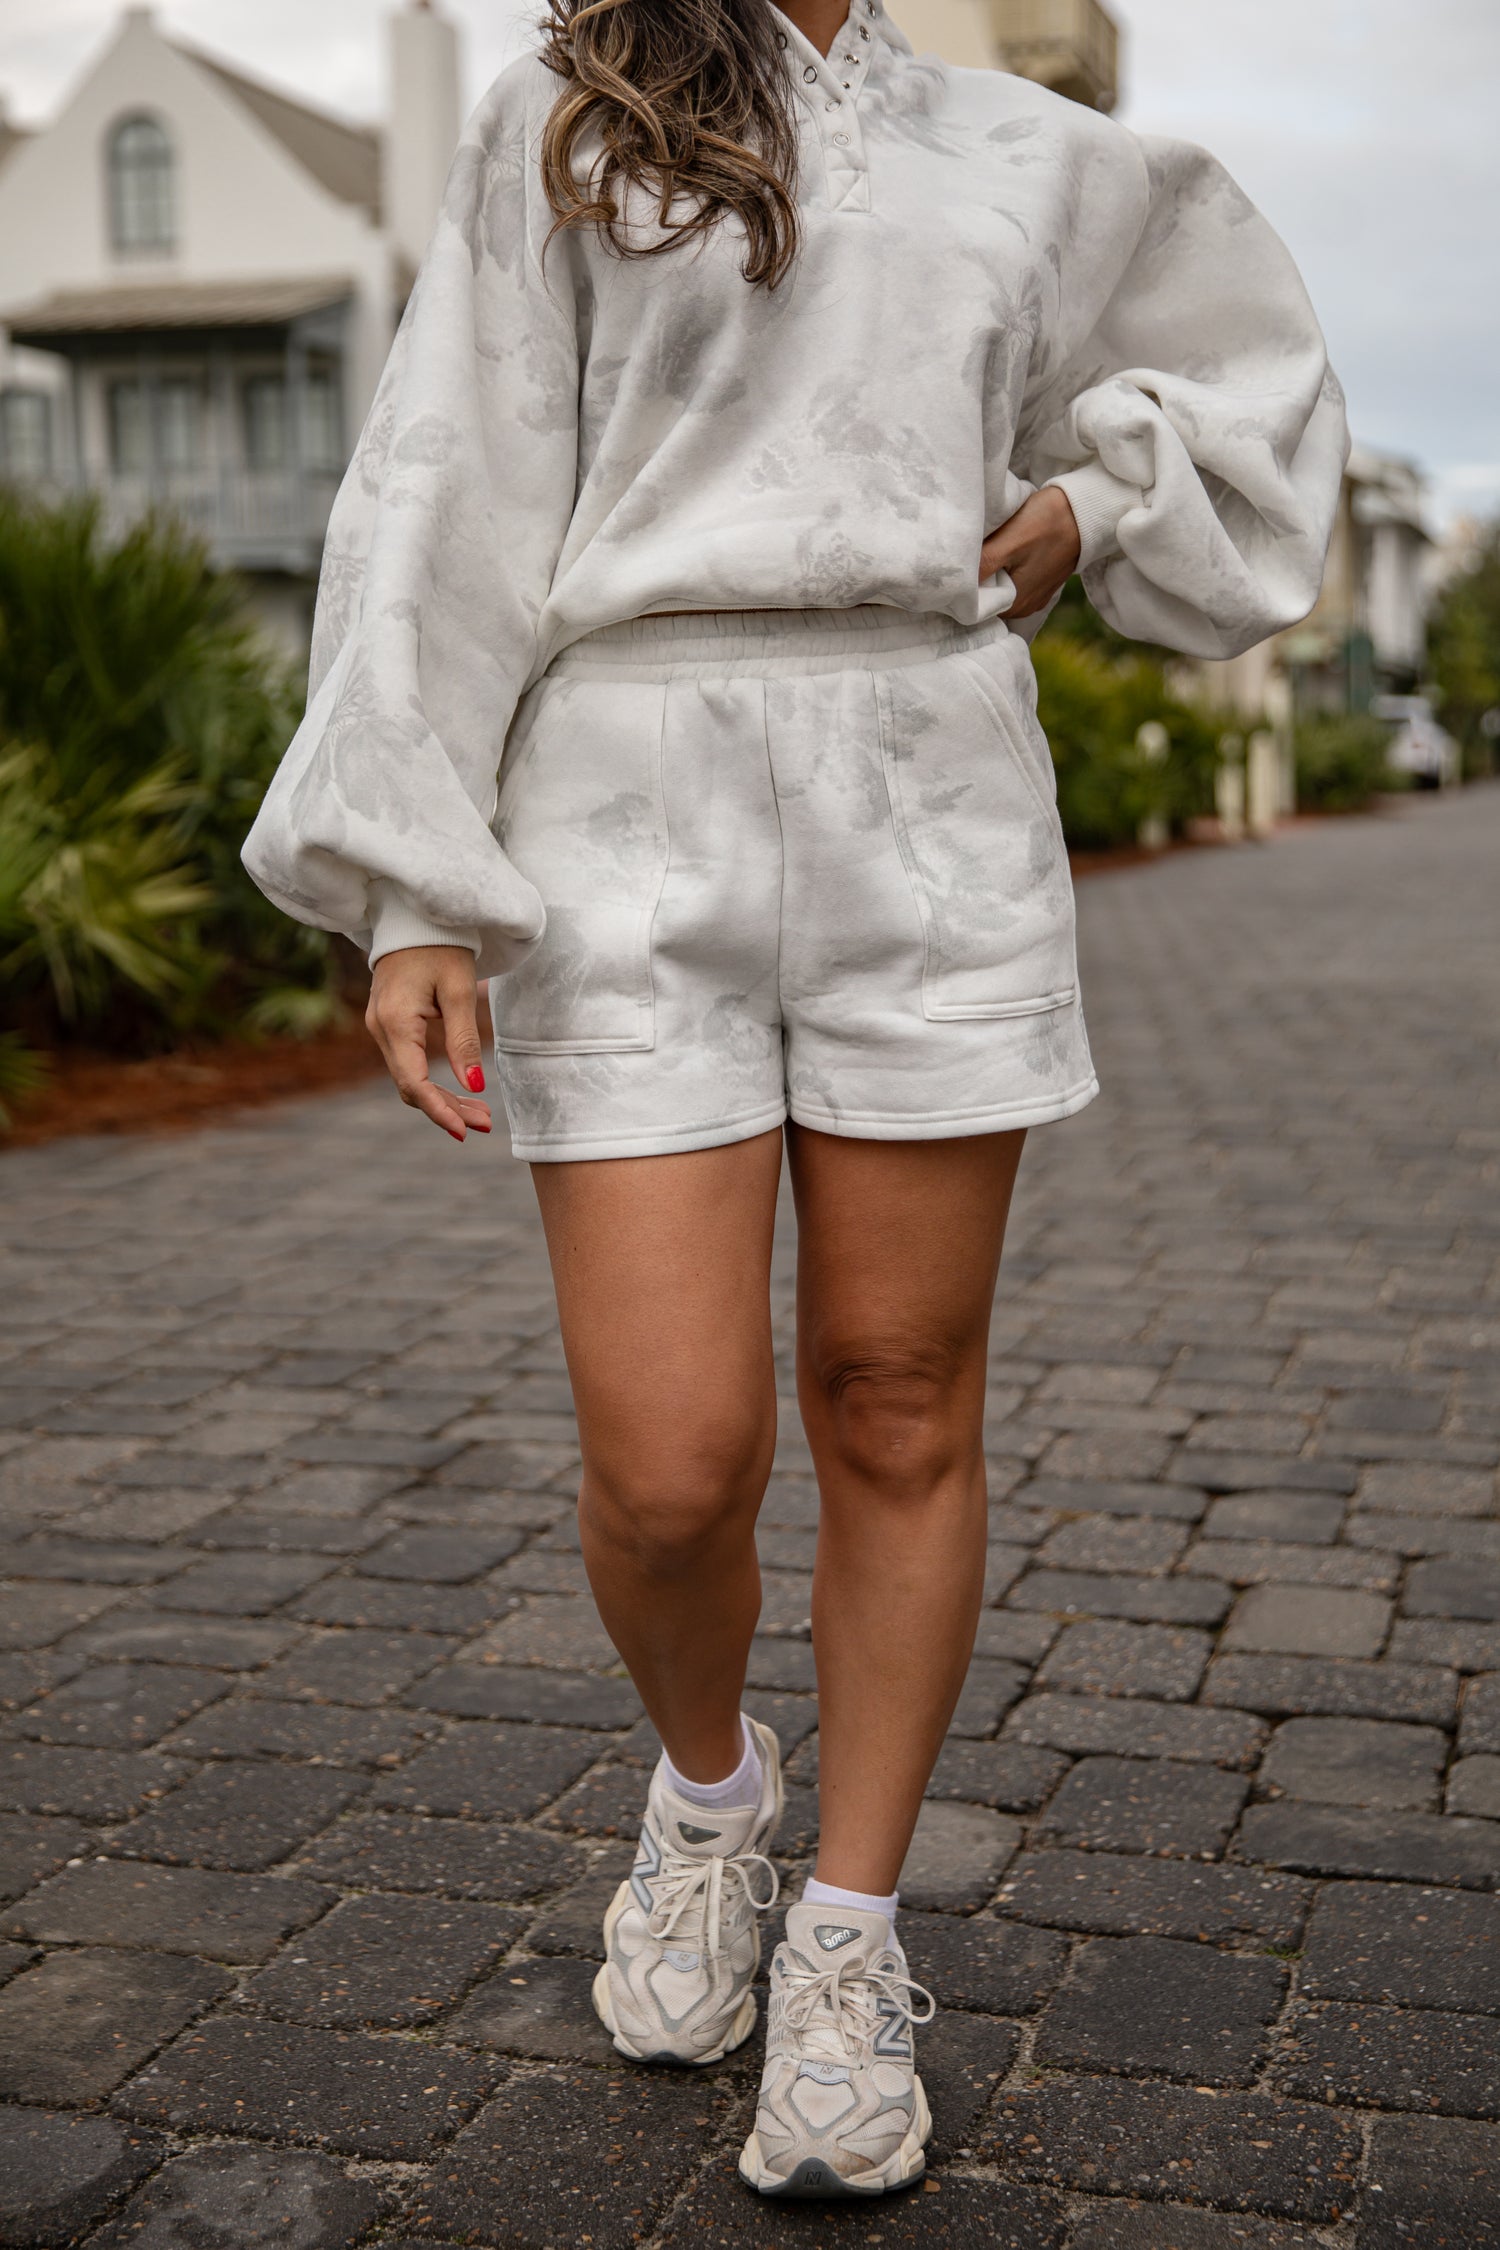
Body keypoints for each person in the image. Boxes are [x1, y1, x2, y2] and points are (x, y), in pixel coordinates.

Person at [244, 0, 1346, 2199]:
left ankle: (846, 1942)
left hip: (922, 776)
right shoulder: (565, 120)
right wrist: (411, 885)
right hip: (622, 787)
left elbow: (1254, 380)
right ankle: (706, 1793)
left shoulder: (1021, 148)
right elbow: (444, 474)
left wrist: (1089, 487)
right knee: (671, 1463)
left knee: (896, 1393)